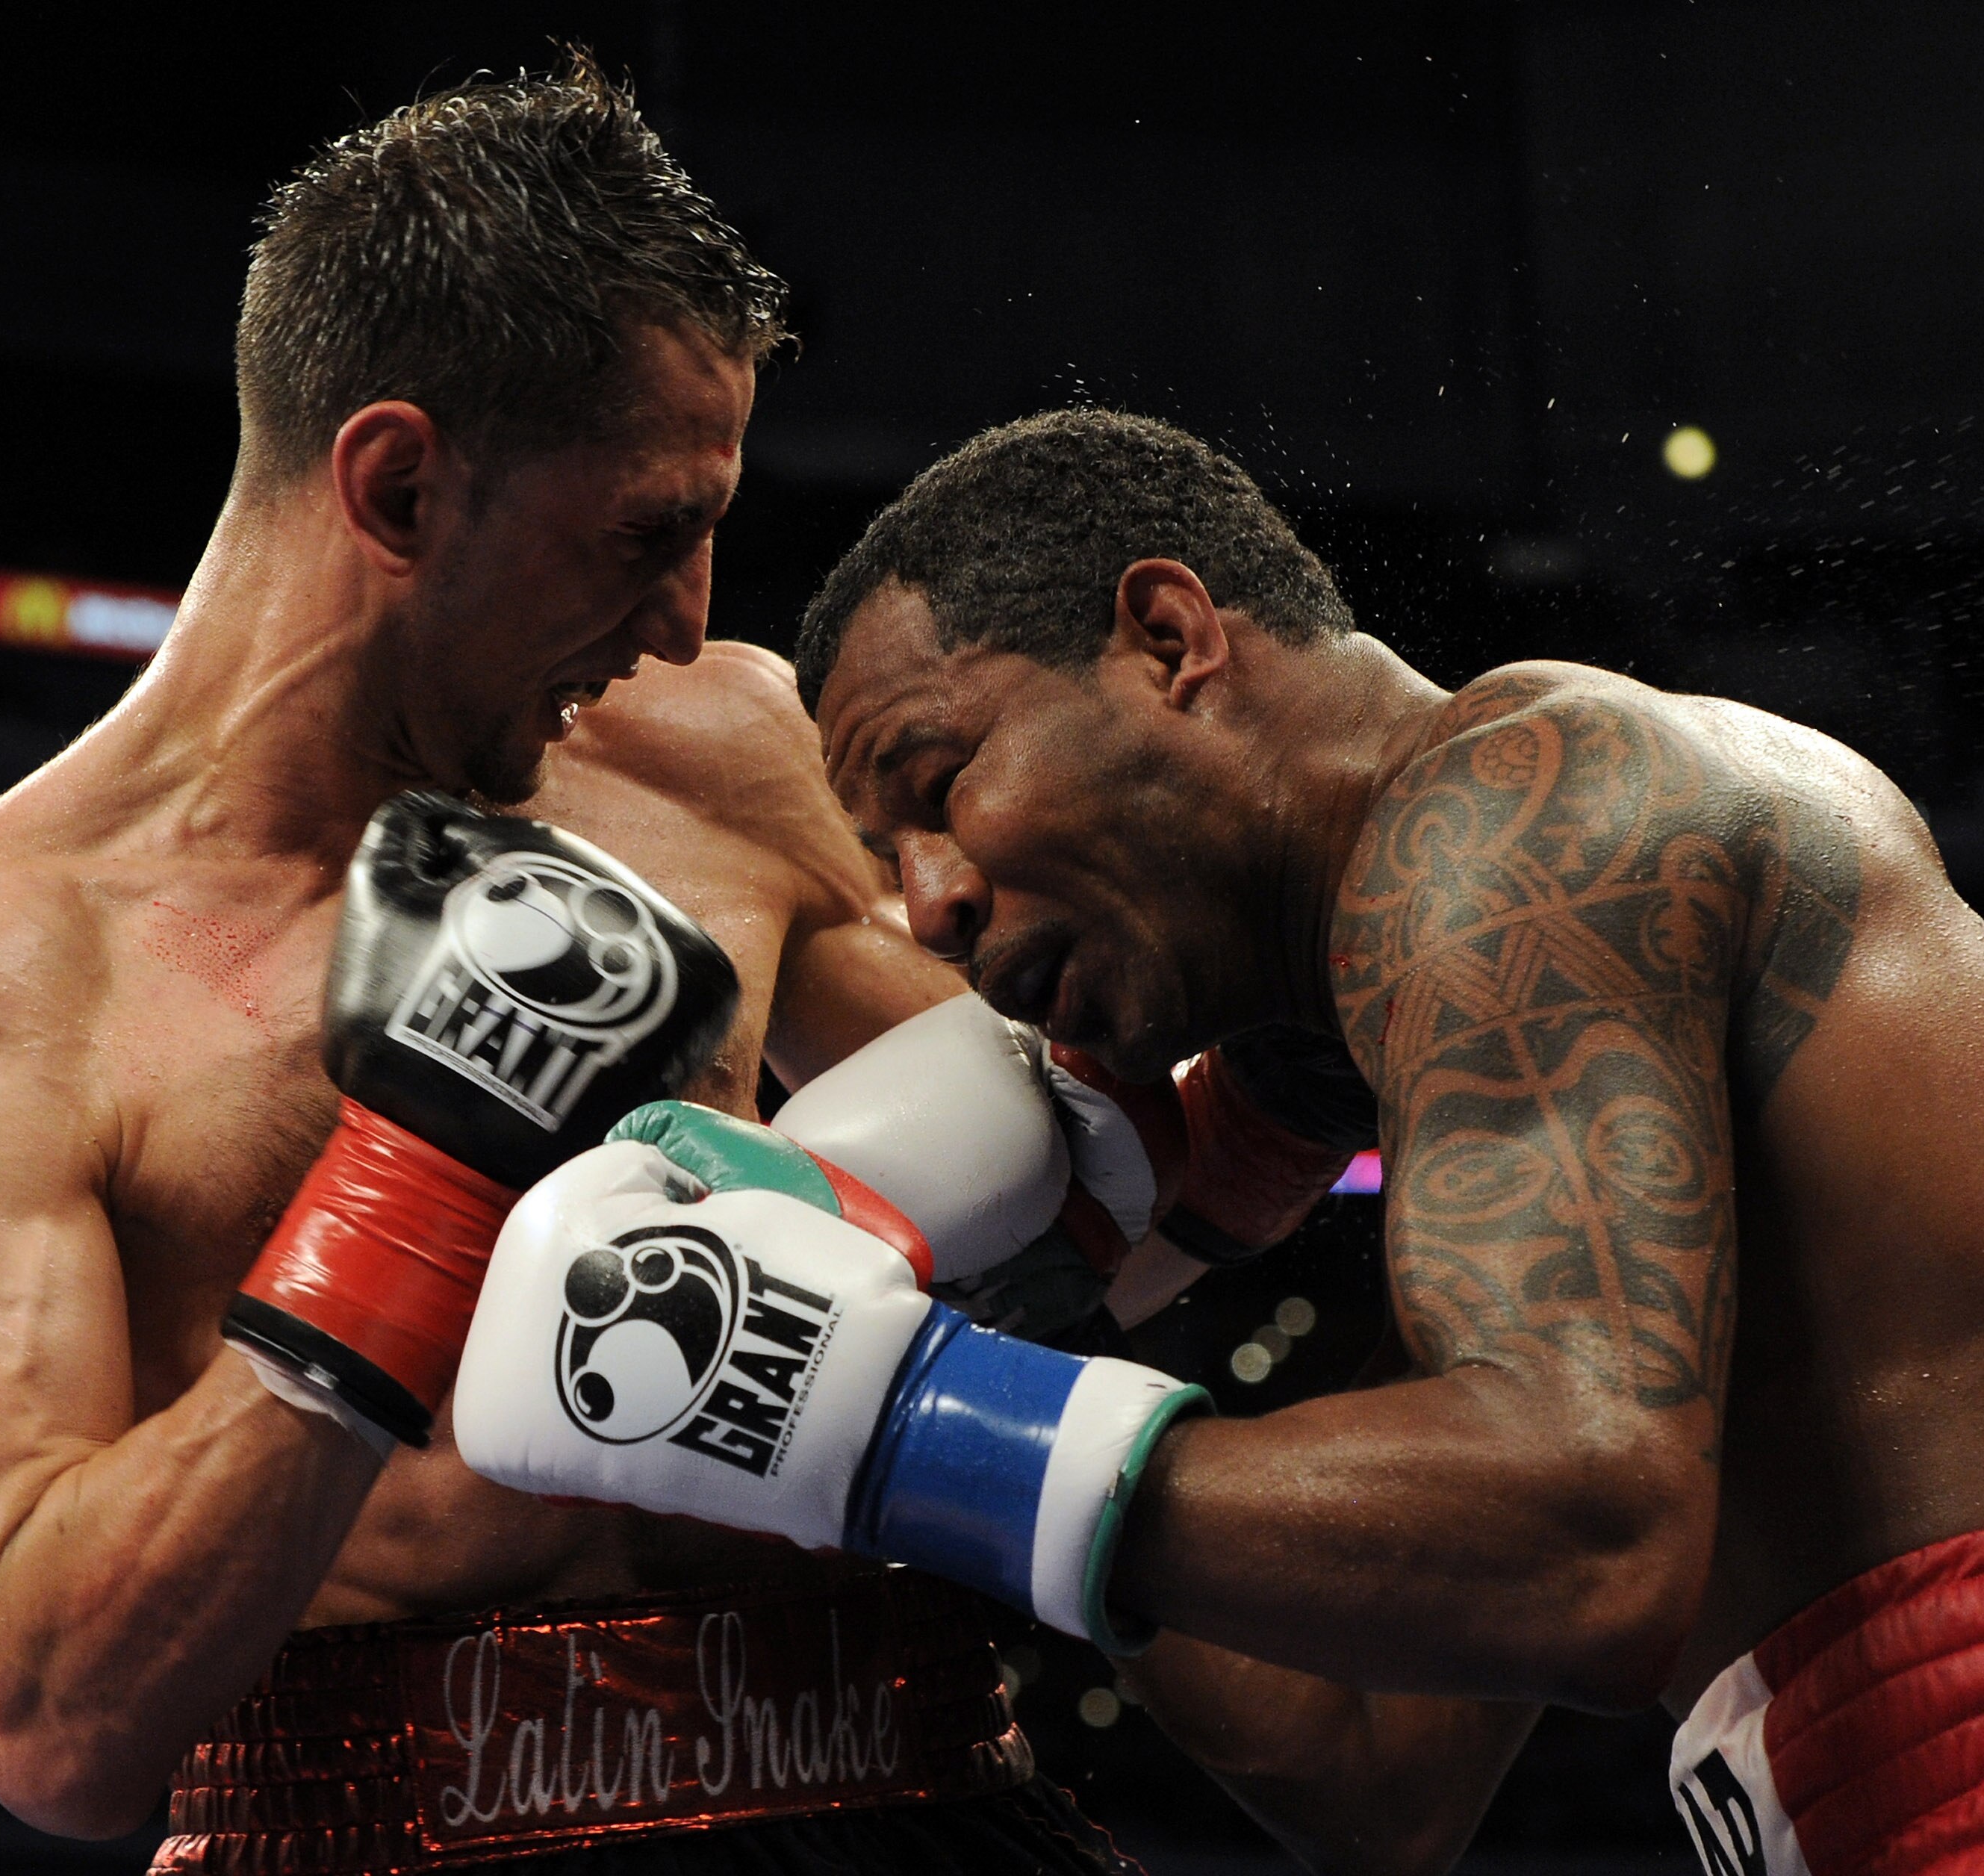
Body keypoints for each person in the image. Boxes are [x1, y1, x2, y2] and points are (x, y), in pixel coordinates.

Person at [0, 73, 1148, 1875]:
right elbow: (47, 1716)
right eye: (646, 531)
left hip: (922, 1796)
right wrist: (410, 1185)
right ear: (402, 483)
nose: (688, 614)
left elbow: (1073, 1161)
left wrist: (1238, 1071)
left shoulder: (708, 749)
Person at [460, 406, 1984, 1876]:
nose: (929, 901)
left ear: (1171, 639)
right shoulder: (1481, 1078)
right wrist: (1003, 1329)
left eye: (942, 783)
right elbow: (1376, 1770)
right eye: (888, 857)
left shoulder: (1526, 805)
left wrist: (892, 1416)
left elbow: (1593, 1537)